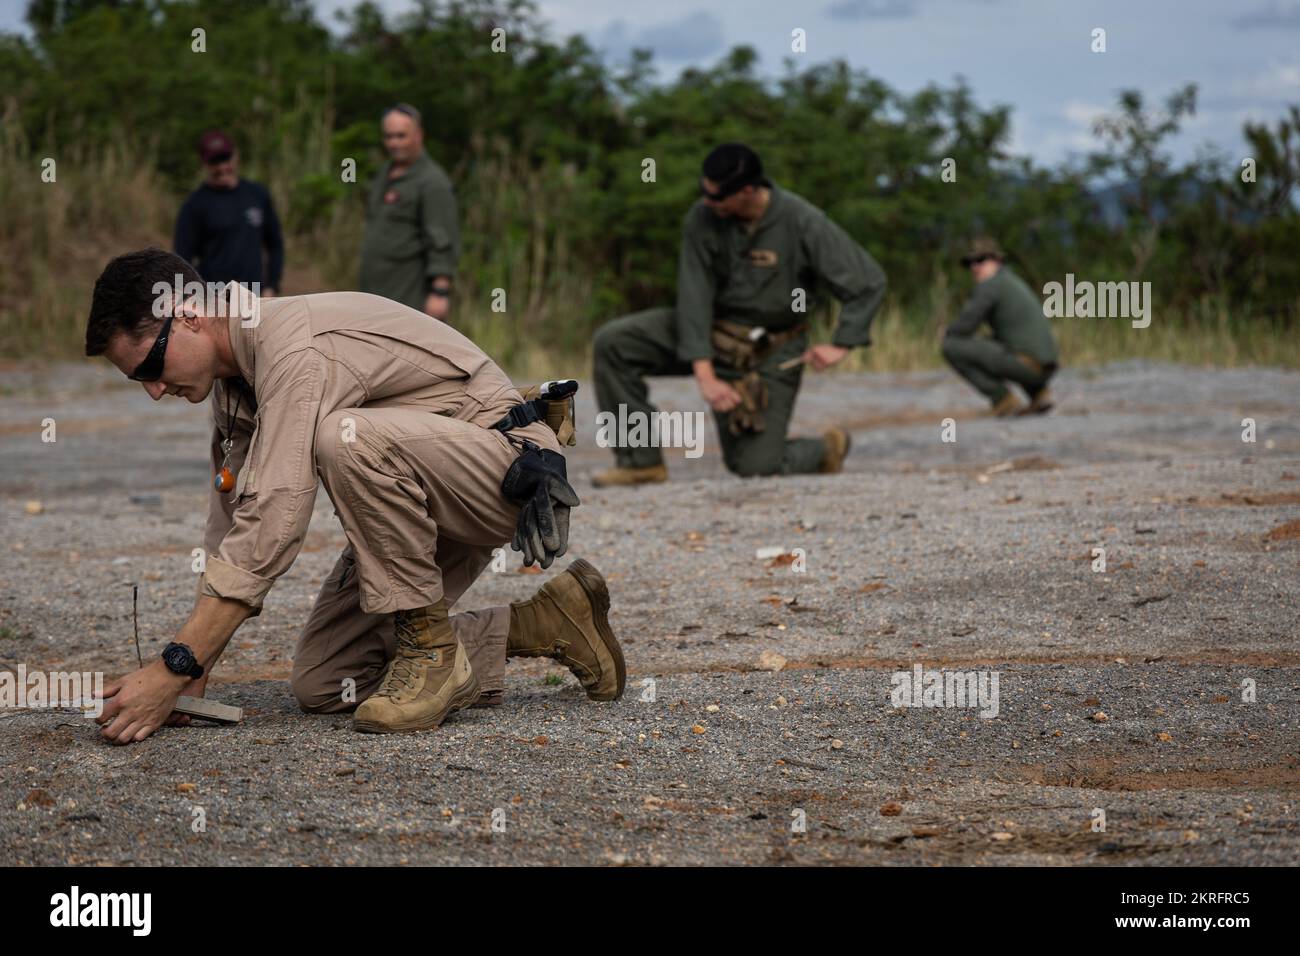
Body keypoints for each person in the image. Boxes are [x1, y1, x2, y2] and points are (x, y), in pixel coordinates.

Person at [83, 249, 623, 744]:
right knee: (328, 681)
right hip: (421, 494)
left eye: (151, 367)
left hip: (505, 473)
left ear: (190, 315)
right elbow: (232, 527)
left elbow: (276, 518)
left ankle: (432, 654)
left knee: (344, 437)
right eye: (138, 381)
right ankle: (552, 621)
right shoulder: (234, 384)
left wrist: (173, 665)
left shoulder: (293, 349)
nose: (154, 390)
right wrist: (195, 672)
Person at [591, 143, 887, 486]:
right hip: (710, 332)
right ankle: (640, 461)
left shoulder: (801, 220)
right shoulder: (702, 218)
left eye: (716, 197)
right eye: (704, 192)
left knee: (755, 466)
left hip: (770, 350)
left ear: (748, 190)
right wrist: (706, 375)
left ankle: (823, 450)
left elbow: (867, 282)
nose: (707, 201)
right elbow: (694, 295)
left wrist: (843, 342)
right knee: (614, 342)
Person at [358, 104, 459, 320]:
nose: (394, 143)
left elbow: (441, 239)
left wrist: (439, 292)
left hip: (407, 298)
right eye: (388, 136)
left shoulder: (432, 182)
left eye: (401, 136)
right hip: (375, 293)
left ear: (419, 135)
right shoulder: (385, 173)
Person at [942, 237, 1059, 416]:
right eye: (970, 263)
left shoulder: (990, 286)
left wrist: (946, 331)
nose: (974, 267)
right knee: (996, 343)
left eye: (980, 260)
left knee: (951, 345)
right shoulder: (1011, 281)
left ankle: (1002, 400)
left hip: (1028, 366)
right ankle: (1039, 394)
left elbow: (964, 327)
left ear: (996, 260)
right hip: (1045, 366)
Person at [174, 130, 284, 297]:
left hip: (255, 297)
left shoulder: (257, 195)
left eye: (225, 159)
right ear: (204, 163)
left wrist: (272, 285)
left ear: (236, 156)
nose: (222, 167)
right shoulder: (194, 205)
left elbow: (275, 244)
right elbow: (182, 260)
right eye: (214, 162)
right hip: (215, 300)